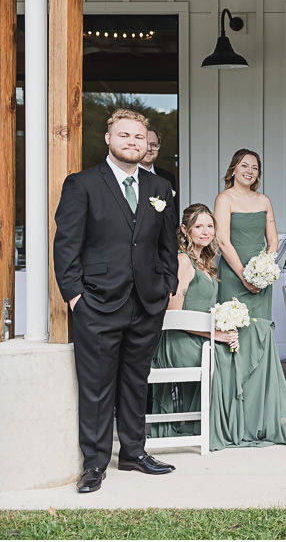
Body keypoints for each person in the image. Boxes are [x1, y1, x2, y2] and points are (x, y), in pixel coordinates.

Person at [53, 108, 178, 493]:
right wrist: (75, 297)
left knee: (136, 381)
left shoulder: (159, 189)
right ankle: (94, 463)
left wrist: (167, 284)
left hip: (147, 302)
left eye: (139, 137)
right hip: (97, 303)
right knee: (96, 386)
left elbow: (166, 244)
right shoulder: (83, 184)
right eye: (124, 135)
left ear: (147, 144)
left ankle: (134, 453)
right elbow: (66, 246)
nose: (132, 142)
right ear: (108, 139)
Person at [150, 204, 286, 449]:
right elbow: (173, 314)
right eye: (198, 226)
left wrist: (223, 326)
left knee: (258, 330)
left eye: (209, 226)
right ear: (184, 230)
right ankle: (238, 424)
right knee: (240, 347)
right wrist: (216, 334)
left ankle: (253, 421)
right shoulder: (183, 261)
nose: (205, 231)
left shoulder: (205, 261)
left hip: (199, 335)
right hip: (178, 341)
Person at [214, 149, 278, 321]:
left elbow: (273, 240)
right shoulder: (224, 199)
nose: (249, 171)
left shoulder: (264, 200)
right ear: (234, 169)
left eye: (255, 168)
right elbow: (223, 241)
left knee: (260, 324)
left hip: (260, 276)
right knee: (233, 325)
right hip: (233, 272)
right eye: (244, 165)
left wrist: (265, 271)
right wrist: (244, 276)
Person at [139, 126, 177, 197]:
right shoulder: (128, 176)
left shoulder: (167, 177)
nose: (149, 149)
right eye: (145, 144)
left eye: (153, 145)